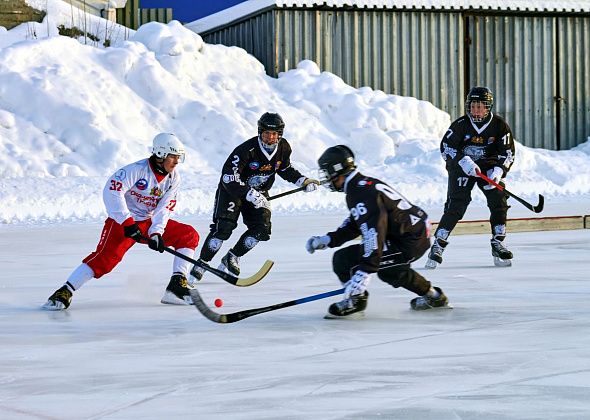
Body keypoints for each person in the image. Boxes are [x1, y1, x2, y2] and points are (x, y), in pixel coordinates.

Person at [42, 133, 200, 310]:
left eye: (179, 157)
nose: (177, 161)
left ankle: (177, 286)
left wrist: (157, 232)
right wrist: (127, 222)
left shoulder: (173, 178)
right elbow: (112, 192)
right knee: (105, 260)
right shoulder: (135, 170)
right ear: (161, 154)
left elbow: (165, 208)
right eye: (173, 156)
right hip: (122, 222)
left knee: (188, 235)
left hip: (147, 222)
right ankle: (65, 290)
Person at [305, 145, 449, 318]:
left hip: (409, 239)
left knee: (380, 266)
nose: (326, 178)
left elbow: (373, 233)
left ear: (336, 170)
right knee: (360, 262)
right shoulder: (359, 185)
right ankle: (433, 296)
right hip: (411, 232)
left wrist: (363, 275)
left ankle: (356, 299)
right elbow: (357, 223)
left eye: (326, 173)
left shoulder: (358, 192)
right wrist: (329, 239)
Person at [190, 112, 320, 280]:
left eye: (274, 134)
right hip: (233, 192)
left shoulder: (283, 148)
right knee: (223, 229)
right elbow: (228, 177)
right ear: (260, 132)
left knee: (262, 229)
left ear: (280, 134)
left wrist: (302, 181)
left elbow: (285, 169)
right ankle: (202, 263)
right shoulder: (246, 150)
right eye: (266, 133)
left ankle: (233, 256)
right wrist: (248, 193)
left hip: (259, 192)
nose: (270, 137)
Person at [425, 86, 516, 269]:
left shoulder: (499, 126)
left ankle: (498, 242)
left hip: (487, 170)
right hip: (462, 169)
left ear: (488, 107)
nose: (475, 110)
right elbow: (446, 147)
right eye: (472, 105)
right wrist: (462, 161)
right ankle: (438, 244)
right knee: (456, 204)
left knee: (498, 198)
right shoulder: (460, 125)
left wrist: (498, 171)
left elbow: (507, 153)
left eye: (479, 106)